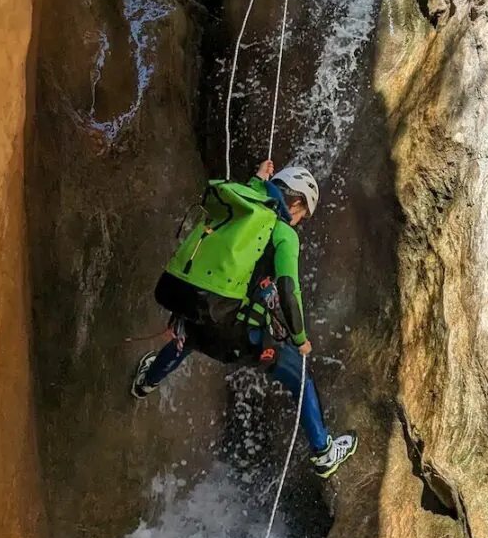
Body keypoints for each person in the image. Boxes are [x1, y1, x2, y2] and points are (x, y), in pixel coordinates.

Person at [130, 159, 357, 478]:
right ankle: (323, 453)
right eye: (302, 214)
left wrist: (257, 179)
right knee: (301, 380)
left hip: (201, 315)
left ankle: (145, 382)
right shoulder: (284, 235)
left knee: (190, 338)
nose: (299, 221)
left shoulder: (241, 210)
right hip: (241, 338)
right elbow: (289, 290)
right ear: (296, 202)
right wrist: (300, 338)